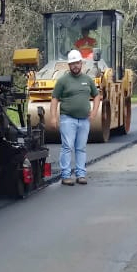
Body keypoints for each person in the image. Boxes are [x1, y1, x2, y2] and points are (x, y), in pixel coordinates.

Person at [50, 49, 100, 186]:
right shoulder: (63, 81)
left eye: (77, 63)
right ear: (69, 65)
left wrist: (95, 111)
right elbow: (54, 99)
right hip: (68, 119)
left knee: (81, 147)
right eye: (72, 64)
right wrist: (53, 117)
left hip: (84, 120)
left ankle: (81, 174)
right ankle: (66, 175)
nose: (75, 66)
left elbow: (96, 95)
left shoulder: (87, 79)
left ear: (81, 63)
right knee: (67, 147)